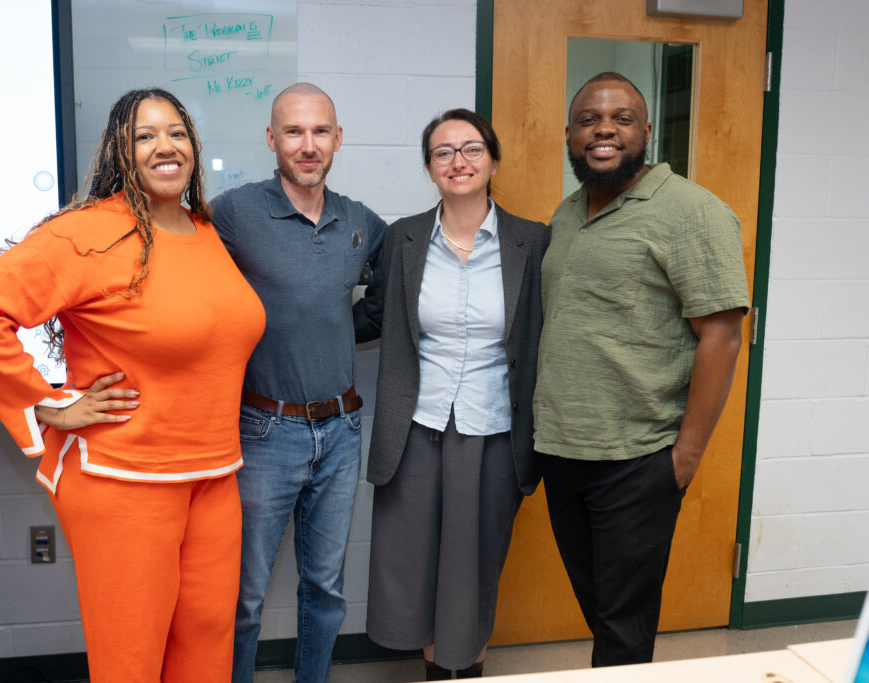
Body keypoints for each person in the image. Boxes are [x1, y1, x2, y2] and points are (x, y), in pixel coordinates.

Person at [0, 88, 265, 682]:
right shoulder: (90, 232)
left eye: (176, 132)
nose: (165, 146)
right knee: (131, 660)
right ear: (120, 151)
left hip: (213, 476)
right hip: (124, 479)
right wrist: (49, 405)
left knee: (207, 647)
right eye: (145, 136)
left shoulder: (203, 229)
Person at [533, 72, 750, 667]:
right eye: (589, 120)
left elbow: (723, 335)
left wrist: (685, 456)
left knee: (623, 629)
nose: (604, 130)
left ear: (646, 130)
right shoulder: (568, 213)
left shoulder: (692, 211)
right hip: (563, 450)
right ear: (570, 135)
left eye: (621, 118)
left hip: (638, 457)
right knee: (600, 612)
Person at [353, 108, 549, 680]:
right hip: (416, 428)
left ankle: (467, 669)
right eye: (443, 152)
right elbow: (373, 316)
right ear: (429, 167)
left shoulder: (532, 241)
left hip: (494, 431)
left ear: (493, 161)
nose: (458, 161)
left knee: (473, 566)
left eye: (471, 149)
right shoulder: (404, 239)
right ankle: (435, 670)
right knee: (413, 565)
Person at [209, 82, 388, 683]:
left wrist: (345, 325)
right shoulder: (234, 213)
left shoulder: (359, 221)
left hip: (341, 431)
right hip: (264, 431)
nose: (308, 146)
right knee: (244, 595)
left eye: (319, 132)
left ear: (338, 139)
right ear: (271, 139)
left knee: (326, 588)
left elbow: (398, 271)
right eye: (294, 132)